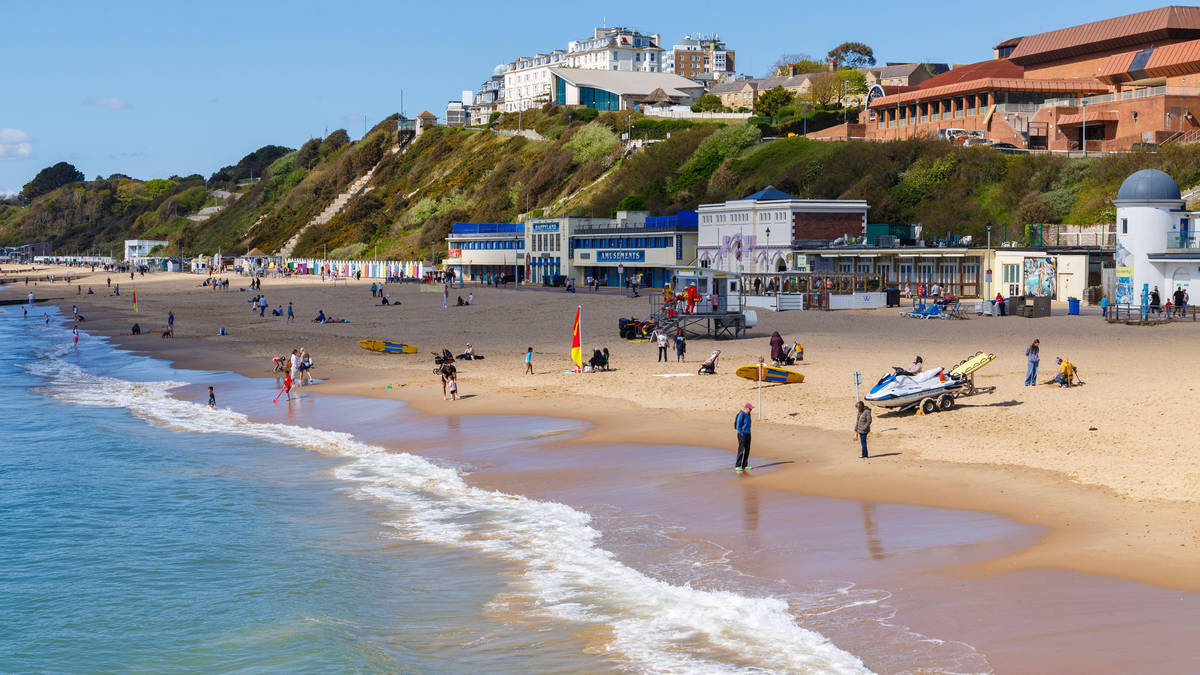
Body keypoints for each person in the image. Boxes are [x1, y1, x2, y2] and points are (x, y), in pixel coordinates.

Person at [734, 403, 753, 473]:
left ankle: (744, 465)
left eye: (751, 409)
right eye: (750, 409)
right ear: (746, 408)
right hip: (742, 434)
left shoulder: (749, 414)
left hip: (748, 434)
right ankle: (738, 466)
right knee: (741, 450)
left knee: (747, 450)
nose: (751, 410)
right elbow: (738, 425)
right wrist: (741, 433)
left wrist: (749, 432)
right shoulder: (741, 414)